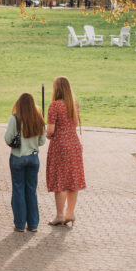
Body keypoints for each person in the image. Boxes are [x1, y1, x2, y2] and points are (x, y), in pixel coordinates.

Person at [4, 93, 48, 233]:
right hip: (33, 157)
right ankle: (33, 224)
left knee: (18, 190)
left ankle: (20, 223)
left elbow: (7, 138)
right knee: (31, 190)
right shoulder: (38, 118)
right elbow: (41, 141)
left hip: (18, 156)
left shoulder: (15, 118)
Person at [46, 76, 85, 227]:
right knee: (72, 179)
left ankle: (59, 215)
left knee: (60, 181)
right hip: (74, 145)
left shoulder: (54, 106)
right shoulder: (74, 104)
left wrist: (48, 135)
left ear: (57, 89)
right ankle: (70, 212)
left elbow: (50, 130)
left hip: (60, 146)